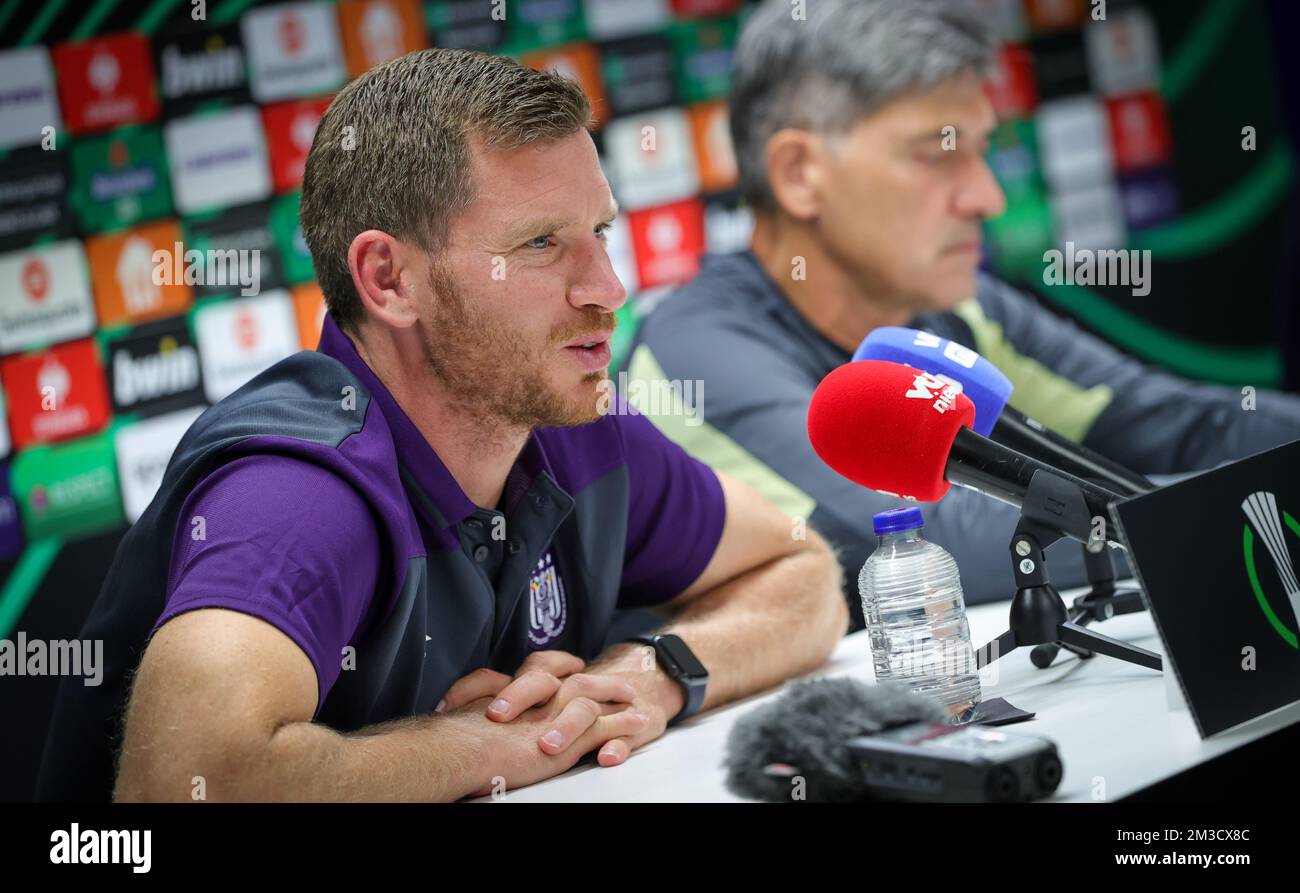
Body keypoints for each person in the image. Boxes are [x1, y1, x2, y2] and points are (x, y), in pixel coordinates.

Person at [37, 49, 847, 802]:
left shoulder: (572, 420)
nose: (608, 286)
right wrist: (487, 747)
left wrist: (657, 670)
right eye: (539, 244)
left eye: (598, 232)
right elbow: (182, 781)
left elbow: (805, 571)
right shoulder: (297, 493)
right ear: (389, 280)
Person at [627, 0, 1300, 627]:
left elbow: (1185, 422)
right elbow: (944, 548)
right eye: (939, 154)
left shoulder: (952, 300)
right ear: (800, 173)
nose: (988, 197)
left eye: (981, 151)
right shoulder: (693, 352)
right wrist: (1264, 510)